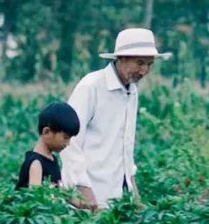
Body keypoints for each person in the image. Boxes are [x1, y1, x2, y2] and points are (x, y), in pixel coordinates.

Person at [60, 27, 171, 209]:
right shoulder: (91, 86)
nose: (144, 71)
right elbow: (69, 142)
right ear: (121, 58)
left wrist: (134, 193)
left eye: (149, 64)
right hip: (87, 193)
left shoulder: (131, 91)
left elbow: (126, 147)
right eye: (139, 63)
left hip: (117, 195)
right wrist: (83, 188)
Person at [16, 102, 80, 190]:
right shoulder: (36, 164)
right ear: (46, 132)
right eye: (65, 138)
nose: (68, 143)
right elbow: (36, 199)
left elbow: (60, 192)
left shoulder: (53, 160)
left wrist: (83, 203)